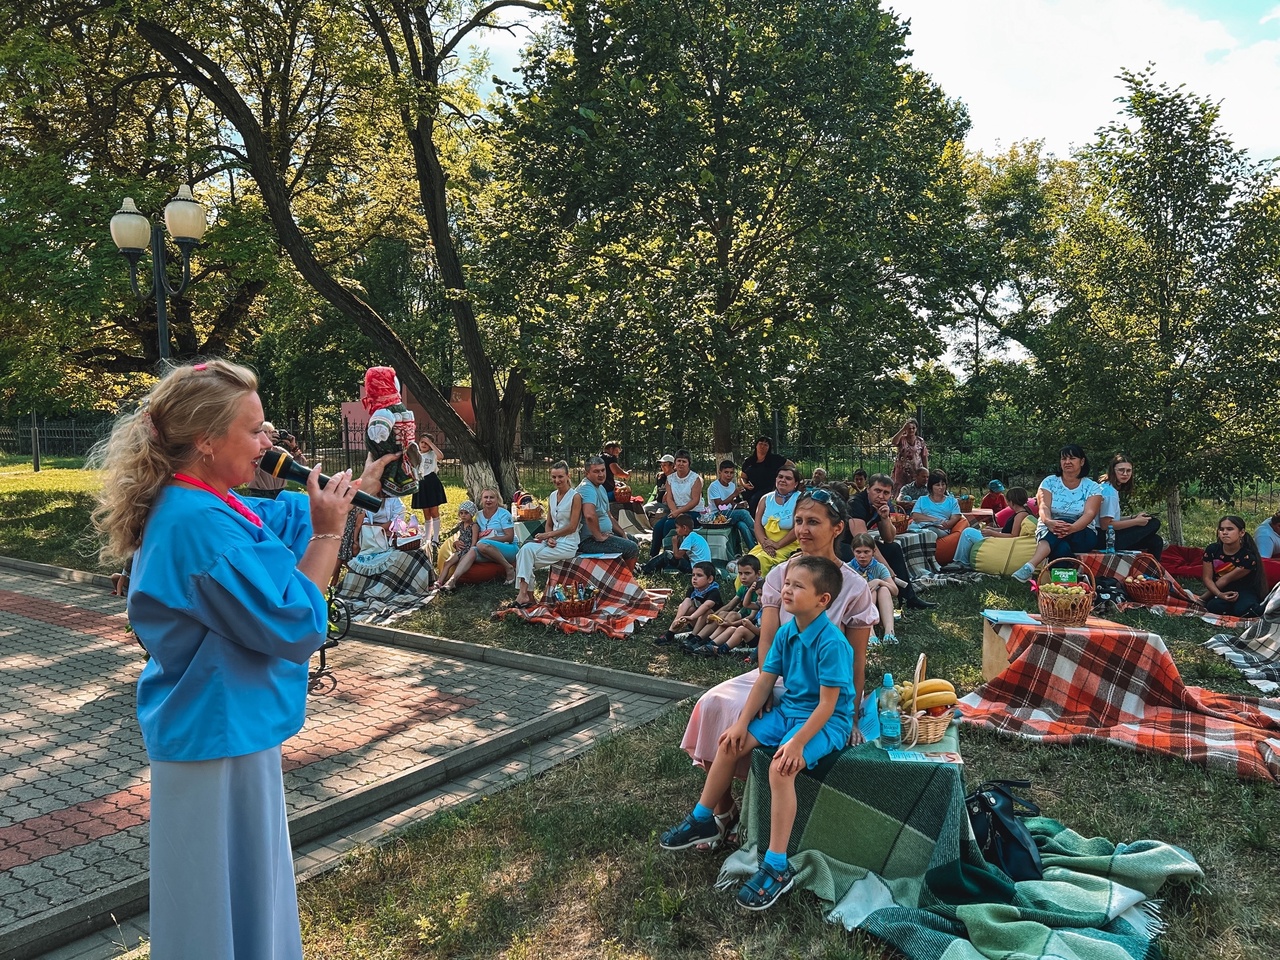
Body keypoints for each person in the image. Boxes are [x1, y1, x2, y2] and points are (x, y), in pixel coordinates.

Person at [91, 359, 377, 960]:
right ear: (205, 440)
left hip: (230, 728)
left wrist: (360, 490)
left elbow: (282, 519)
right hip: (213, 736)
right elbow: (296, 623)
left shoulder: (209, 501)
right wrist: (329, 535)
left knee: (247, 890)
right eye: (255, 430)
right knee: (213, 903)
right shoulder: (196, 522)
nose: (269, 442)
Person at [679, 491, 876, 847]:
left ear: (837, 529)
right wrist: (767, 684)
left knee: (743, 719)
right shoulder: (780, 575)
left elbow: (856, 659)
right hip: (773, 674)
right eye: (798, 521)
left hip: (820, 690)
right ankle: (720, 813)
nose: (802, 529)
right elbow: (767, 639)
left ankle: (739, 825)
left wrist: (856, 716)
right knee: (714, 705)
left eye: (813, 522)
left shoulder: (854, 587)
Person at [661, 555, 853, 911]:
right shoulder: (785, 631)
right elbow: (766, 680)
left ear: (822, 600)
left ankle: (777, 867)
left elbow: (828, 706)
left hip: (827, 722)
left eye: (797, 586)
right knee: (729, 743)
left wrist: (796, 742)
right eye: (787, 583)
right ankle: (704, 819)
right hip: (789, 710)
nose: (787, 590)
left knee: (780, 769)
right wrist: (741, 722)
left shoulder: (833, 643)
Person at [1013, 445, 1103, 582]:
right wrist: (1048, 522)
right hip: (1050, 529)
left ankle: (1031, 565)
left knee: (1063, 525)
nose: (1067, 462)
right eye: (1064, 458)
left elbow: (1089, 514)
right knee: (1062, 547)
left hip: (1082, 533)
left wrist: (1072, 528)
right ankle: (1063, 585)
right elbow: (1044, 506)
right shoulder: (1049, 482)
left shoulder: (1093, 487)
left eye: (1072, 458)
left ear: (1082, 461)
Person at [845, 473, 935, 609]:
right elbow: (863, 541)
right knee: (862, 554)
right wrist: (887, 568)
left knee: (893, 548)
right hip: (841, 544)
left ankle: (909, 598)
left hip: (859, 544)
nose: (881, 496)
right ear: (868, 489)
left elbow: (889, 538)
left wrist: (885, 518)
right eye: (877, 491)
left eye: (886, 493)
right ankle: (869, 603)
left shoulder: (883, 505)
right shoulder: (855, 503)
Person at [512, 462, 582, 606]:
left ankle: (526, 596)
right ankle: (525, 596)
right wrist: (549, 536)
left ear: (568, 476)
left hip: (568, 544)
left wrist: (547, 536)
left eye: (560, 477)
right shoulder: (552, 496)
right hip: (552, 542)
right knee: (524, 550)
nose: (557, 480)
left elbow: (572, 527)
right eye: (554, 477)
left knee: (524, 560)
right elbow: (549, 523)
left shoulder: (575, 497)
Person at [439, 488, 517, 590]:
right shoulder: (479, 515)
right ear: (481, 499)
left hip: (508, 548)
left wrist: (488, 541)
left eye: (491, 497)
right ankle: (452, 581)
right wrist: (456, 542)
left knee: (481, 544)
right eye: (486, 497)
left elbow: (510, 537)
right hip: (485, 548)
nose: (488, 500)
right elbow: (469, 532)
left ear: (497, 499)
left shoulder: (504, 513)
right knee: (473, 550)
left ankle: (508, 567)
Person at [951, 487, 1038, 575]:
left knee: (967, 533)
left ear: (1011, 502)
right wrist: (994, 529)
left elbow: (1013, 536)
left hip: (1002, 543)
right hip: (1001, 539)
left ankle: (961, 562)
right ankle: (962, 561)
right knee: (972, 532)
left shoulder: (1020, 515)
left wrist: (993, 533)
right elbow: (1008, 530)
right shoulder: (1022, 512)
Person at [690, 555, 764, 657]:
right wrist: (714, 615)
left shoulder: (760, 590)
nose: (743, 577)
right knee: (723, 613)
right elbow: (729, 605)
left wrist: (730, 623)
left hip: (749, 624)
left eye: (747, 573)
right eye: (740, 573)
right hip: (744, 622)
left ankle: (708, 642)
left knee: (732, 615)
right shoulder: (745, 587)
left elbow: (752, 617)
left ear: (758, 574)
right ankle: (698, 639)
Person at [1198, 515, 1266, 617]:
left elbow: (1224, 580)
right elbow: (1207, 578)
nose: (1224, 532)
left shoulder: (1247, 557)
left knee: (1246, 611)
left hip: (1244, 590)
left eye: (1230, 529)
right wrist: (1220, 594)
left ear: (1241, 533)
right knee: (1213, 607)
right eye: (1221, 529)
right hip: (1222, 590)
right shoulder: (1212, 550)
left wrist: (1202, 599)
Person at [577, 456, 640, 563]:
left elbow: (609, 516)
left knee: (632, 540)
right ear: (587, 473)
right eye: (596, 471)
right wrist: (599, 536)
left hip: (605, 534)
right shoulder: (586, 488)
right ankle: (626, 578)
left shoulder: (600, 487)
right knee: (631, 548)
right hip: (589, 541)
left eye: (603, 470)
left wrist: (623, 534)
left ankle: (621, 571)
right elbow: (589, 515)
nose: (601, 474)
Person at [1098, 455, 1163, 558]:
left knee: (1155, 541)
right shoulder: (1109, 492)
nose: (1125, 474)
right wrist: (1136, 522)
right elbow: (1105, 525)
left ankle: (1151, 572)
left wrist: (1133, 517)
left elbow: (1112, 518)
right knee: (1154, 523)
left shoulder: (1109, 488)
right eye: (1121, 470)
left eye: (1128, 471)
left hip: (1109, 535)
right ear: (1113, 471)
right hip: (1105, 538)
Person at [744, 465, 802, 580]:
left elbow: (799, 527)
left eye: (788, 478)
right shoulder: (765, 498)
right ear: (776, 479)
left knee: (761, 561)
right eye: (780, 477)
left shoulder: (800, 499)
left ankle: (761, 594)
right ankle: (743, 595)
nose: (783, 480)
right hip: (766, 544)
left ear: (795, 483)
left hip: (789, 545)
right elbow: (758, 524)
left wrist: (778, 545)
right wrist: (765, 544)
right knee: (747, 562)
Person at [649, 450, 704, 558]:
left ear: (689, 463)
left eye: (684, 461)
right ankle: (653, 556)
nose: (681, 464)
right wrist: (675, 512)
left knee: (669, 525)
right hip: (675, 511)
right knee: (658, 527)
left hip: (693, 512)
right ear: (675, 463)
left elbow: (695, 500)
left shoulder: (695, 479)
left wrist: (678, 513)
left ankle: (670, 557)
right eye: (678, 461)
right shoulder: (670, 478)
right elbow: (669, 498)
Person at [654, 561, 723, 646]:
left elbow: (707, 605)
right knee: (688, 605)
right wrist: (678, 619)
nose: (694, 578)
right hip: (697, 621)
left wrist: (691, 617)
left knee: (707, 611)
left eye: (699, 575)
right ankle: (670, 633)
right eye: (693, 575)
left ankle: (693, 637)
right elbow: (686, 603)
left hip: (712, 625)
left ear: (710, 579)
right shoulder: (692, 590)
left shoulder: (714, 591)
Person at [847, 533, 898, 644]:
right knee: (871, 591)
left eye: (866, 552)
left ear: (873, 552)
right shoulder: (848, 568)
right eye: (858, 552)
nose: (862, 556)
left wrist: (879, 581)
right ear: (853, 551)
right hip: (857, 608)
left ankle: (889, 632)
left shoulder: (879, 567)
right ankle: (870, 633)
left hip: (879, 606)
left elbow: (895, 591)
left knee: (883, 589)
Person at [246, 423, 308, 499]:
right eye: (265, 432)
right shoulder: (253, 452)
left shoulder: (279, 451)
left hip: (280, 494)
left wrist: (294, 447)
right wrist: (265, 447)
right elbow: (255, 471)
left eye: (271, 432)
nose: (268, 435)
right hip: (260, 495)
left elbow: (302, 465)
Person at [705, 458, 757, 550]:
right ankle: (760, 537)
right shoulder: (714, 486)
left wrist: (740, 505)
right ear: (720, 472)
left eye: (731, 473)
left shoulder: (732, 485)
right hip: (717, 515)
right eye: (726, 472)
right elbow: (720, 506)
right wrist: (734, 494)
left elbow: (731, 504)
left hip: (729, 514)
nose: (729, 475)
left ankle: (754, 549)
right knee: (743, 514)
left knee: (742, 525)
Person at [409, 434, 448, 546]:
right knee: (426, 512)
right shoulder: (416, 455)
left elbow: (441, 456)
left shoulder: (433, 454)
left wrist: (431, 443)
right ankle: (427, 537)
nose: (424, 445)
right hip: (420, 483)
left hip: (431, 482)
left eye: (427, 443)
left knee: (434, 510)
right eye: (422, 442)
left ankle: (436, 537)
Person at [643, 512, 711, 574]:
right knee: (668, 555)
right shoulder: (694, 536)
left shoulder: (689, 538)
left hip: (695, 569)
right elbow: (685, 556)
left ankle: (645, 569)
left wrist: (675, 543)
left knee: (667, 554)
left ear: (684, 528)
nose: (676, 530)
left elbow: (677, 556)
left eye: (677, 528)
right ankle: (653, 569)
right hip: (703, 568)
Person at [739, 437, 792, 514]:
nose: (762, 446)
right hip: (751, 489)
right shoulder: (749, 461)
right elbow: (743, 477)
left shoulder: (775, 459)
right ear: (756, 445)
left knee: (755, 499)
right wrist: (745, 484)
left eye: (766, 445)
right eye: (760, 444)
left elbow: (791, 465)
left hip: (769, 489)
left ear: (769, 448)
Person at [435, 500, 479, 588]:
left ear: (472, 514)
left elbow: (474, 540)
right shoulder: (461, 525)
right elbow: (460, 537)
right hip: (460, 549)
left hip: (468, 550)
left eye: (466, 513)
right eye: (461, 513)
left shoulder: (474, 526)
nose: (463, 515)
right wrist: (455, 543)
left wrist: (470, 550)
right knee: (447, 563)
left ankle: (452, 583)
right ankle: (439, 582)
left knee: (460, 564)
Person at [890, 419, 929, 493]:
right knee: (900, 489)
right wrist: (902, 429)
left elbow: (924, 456)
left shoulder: (920, 441)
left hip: (916, 470)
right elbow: (894, 442)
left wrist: (926, 471)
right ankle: (899, 503)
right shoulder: (902, 439)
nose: (911, 430)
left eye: (913, 428)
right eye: (909, 428)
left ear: (916, 429)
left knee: (915, 489)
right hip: (902, 471)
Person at [644, 454, 677, 520]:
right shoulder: (660, 476)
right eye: (661, 465)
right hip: (658, 502)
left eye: (665, 465)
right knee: (644, 509)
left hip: (670, 505)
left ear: (672, 466)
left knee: (659, 513)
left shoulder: (676, 477)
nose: (662, 467)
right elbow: (656, 491)